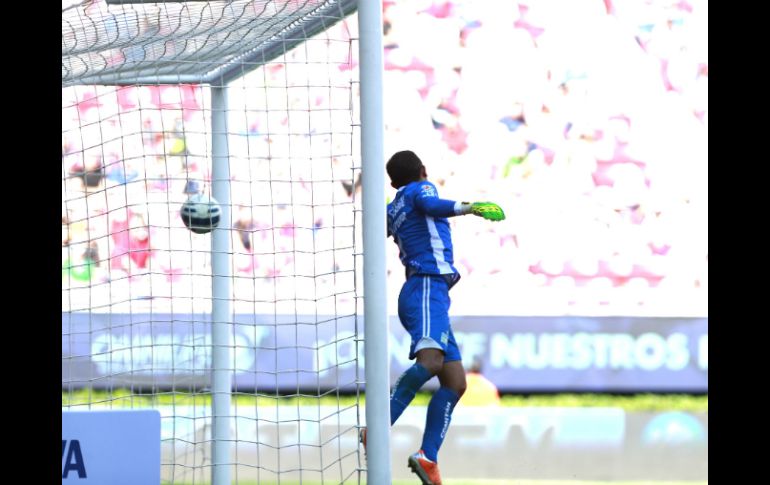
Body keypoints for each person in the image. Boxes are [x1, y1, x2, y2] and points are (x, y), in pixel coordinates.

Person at [361, 150, 505, 485]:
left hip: (429, 292)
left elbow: (378, 232)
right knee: (431, 362)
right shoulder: (420, 190)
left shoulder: (393, 206)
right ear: (423, 171)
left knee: (455, 382)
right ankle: (380, 425)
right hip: (426, 286)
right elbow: (430, 205)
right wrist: (469, 208)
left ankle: (427, 456)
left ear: (393, 181)